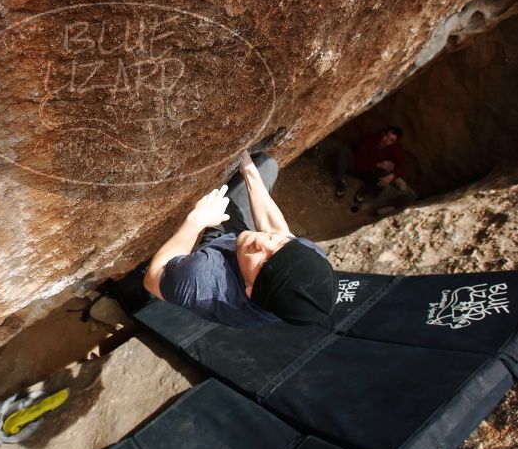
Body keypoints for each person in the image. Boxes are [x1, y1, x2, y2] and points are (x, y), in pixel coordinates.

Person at [142, 151, 338, 329]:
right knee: (265, 165)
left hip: (217, 261)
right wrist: (248, 169)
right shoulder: (306, 260)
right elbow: (277, 230)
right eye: (281, 245)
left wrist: (196, 222)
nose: (263, 242)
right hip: (239, 254)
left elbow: (152, 279)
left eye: (264, 262)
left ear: (250, 291)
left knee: (176, 272)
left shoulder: (202, 279)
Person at [334, 126, 417, 213]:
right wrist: (377, 164)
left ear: (394, 142)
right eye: (387, 136)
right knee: (344, 151)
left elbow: (402, 168)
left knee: (387, 172)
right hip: (354, 168)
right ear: (383, 134)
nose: (386, 141)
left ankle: (365, 190)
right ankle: (341, 182)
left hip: (369, 175)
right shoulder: (371, 140)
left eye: (391, 140)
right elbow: (358, 163)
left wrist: (391, 176)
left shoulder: (394, 149)